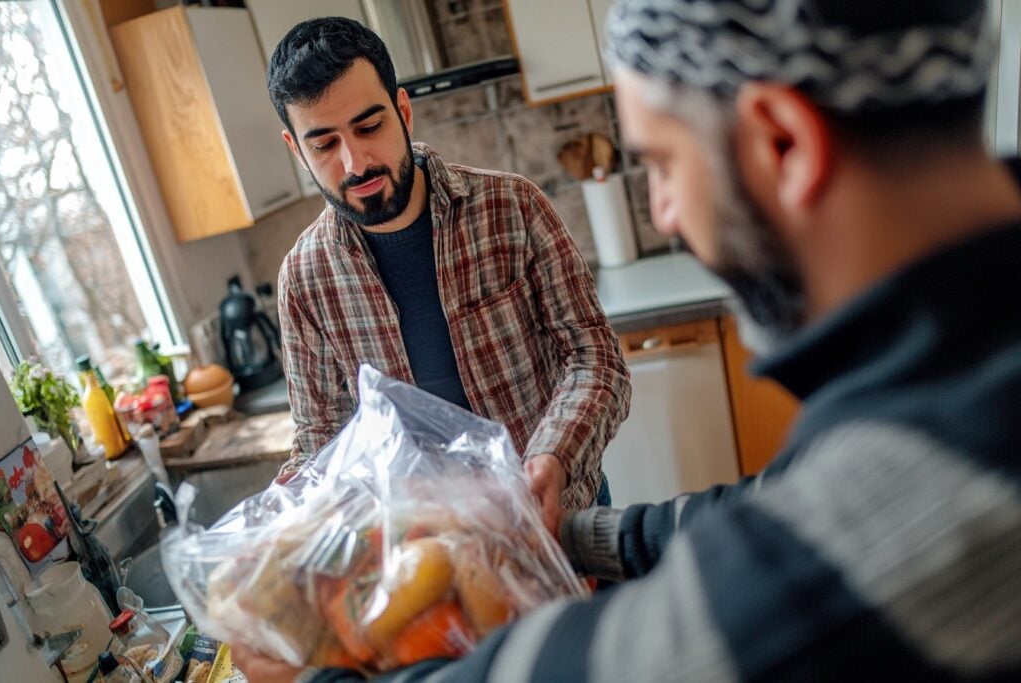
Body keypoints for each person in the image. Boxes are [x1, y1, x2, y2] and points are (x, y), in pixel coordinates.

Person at [234, 0, 1021, 680]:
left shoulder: (915, 491)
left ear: (784, 143)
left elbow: (652, 650)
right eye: (322, 141)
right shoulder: (944, 382)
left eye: (664, 164)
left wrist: (310, 666)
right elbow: (773, 501)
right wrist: (568, 535)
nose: (666, 212)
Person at [266, 18, 631, 526]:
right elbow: (321, 438)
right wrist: (288, 501)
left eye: (369, 127)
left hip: (560, 517)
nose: (355, 163)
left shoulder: (513, 207)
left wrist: (552, 458)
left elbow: (595, 359)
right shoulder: (305, 279)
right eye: (324, 145)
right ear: (295, 149)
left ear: (404, 111)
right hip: (435, 558)